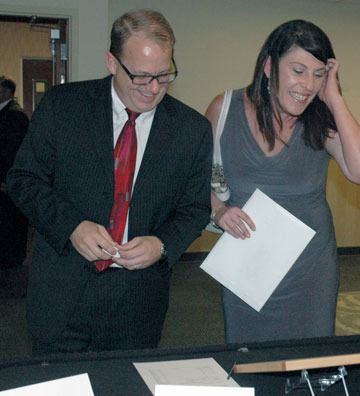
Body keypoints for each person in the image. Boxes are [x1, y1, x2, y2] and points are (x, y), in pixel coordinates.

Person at [7, 9, 212, 354]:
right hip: (62, 294)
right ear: (112, 63)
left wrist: (161, 245)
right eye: (141, 76)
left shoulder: (191, 130)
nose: (153, 89)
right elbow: (24, 179)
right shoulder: (63, 107)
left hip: (137, 304)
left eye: (164, 75)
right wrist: (72, 226)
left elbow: (194, 209)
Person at [205, 20, 360, 343]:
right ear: (270, 66)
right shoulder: (225, 108)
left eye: (318, 74)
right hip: (248, 262)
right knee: (249, 359)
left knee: (308, 362)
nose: (307, 85)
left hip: (310, 269)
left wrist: (335, 99)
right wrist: (218, 211)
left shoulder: (320, 120)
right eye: (298, 70)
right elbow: (194, 180)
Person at [0, 77, 29, 270]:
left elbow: (11, 151)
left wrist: (5, 179)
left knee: (11, 220)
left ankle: (11, 261)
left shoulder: (14, 116)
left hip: (8, 179)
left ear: (8, 92)